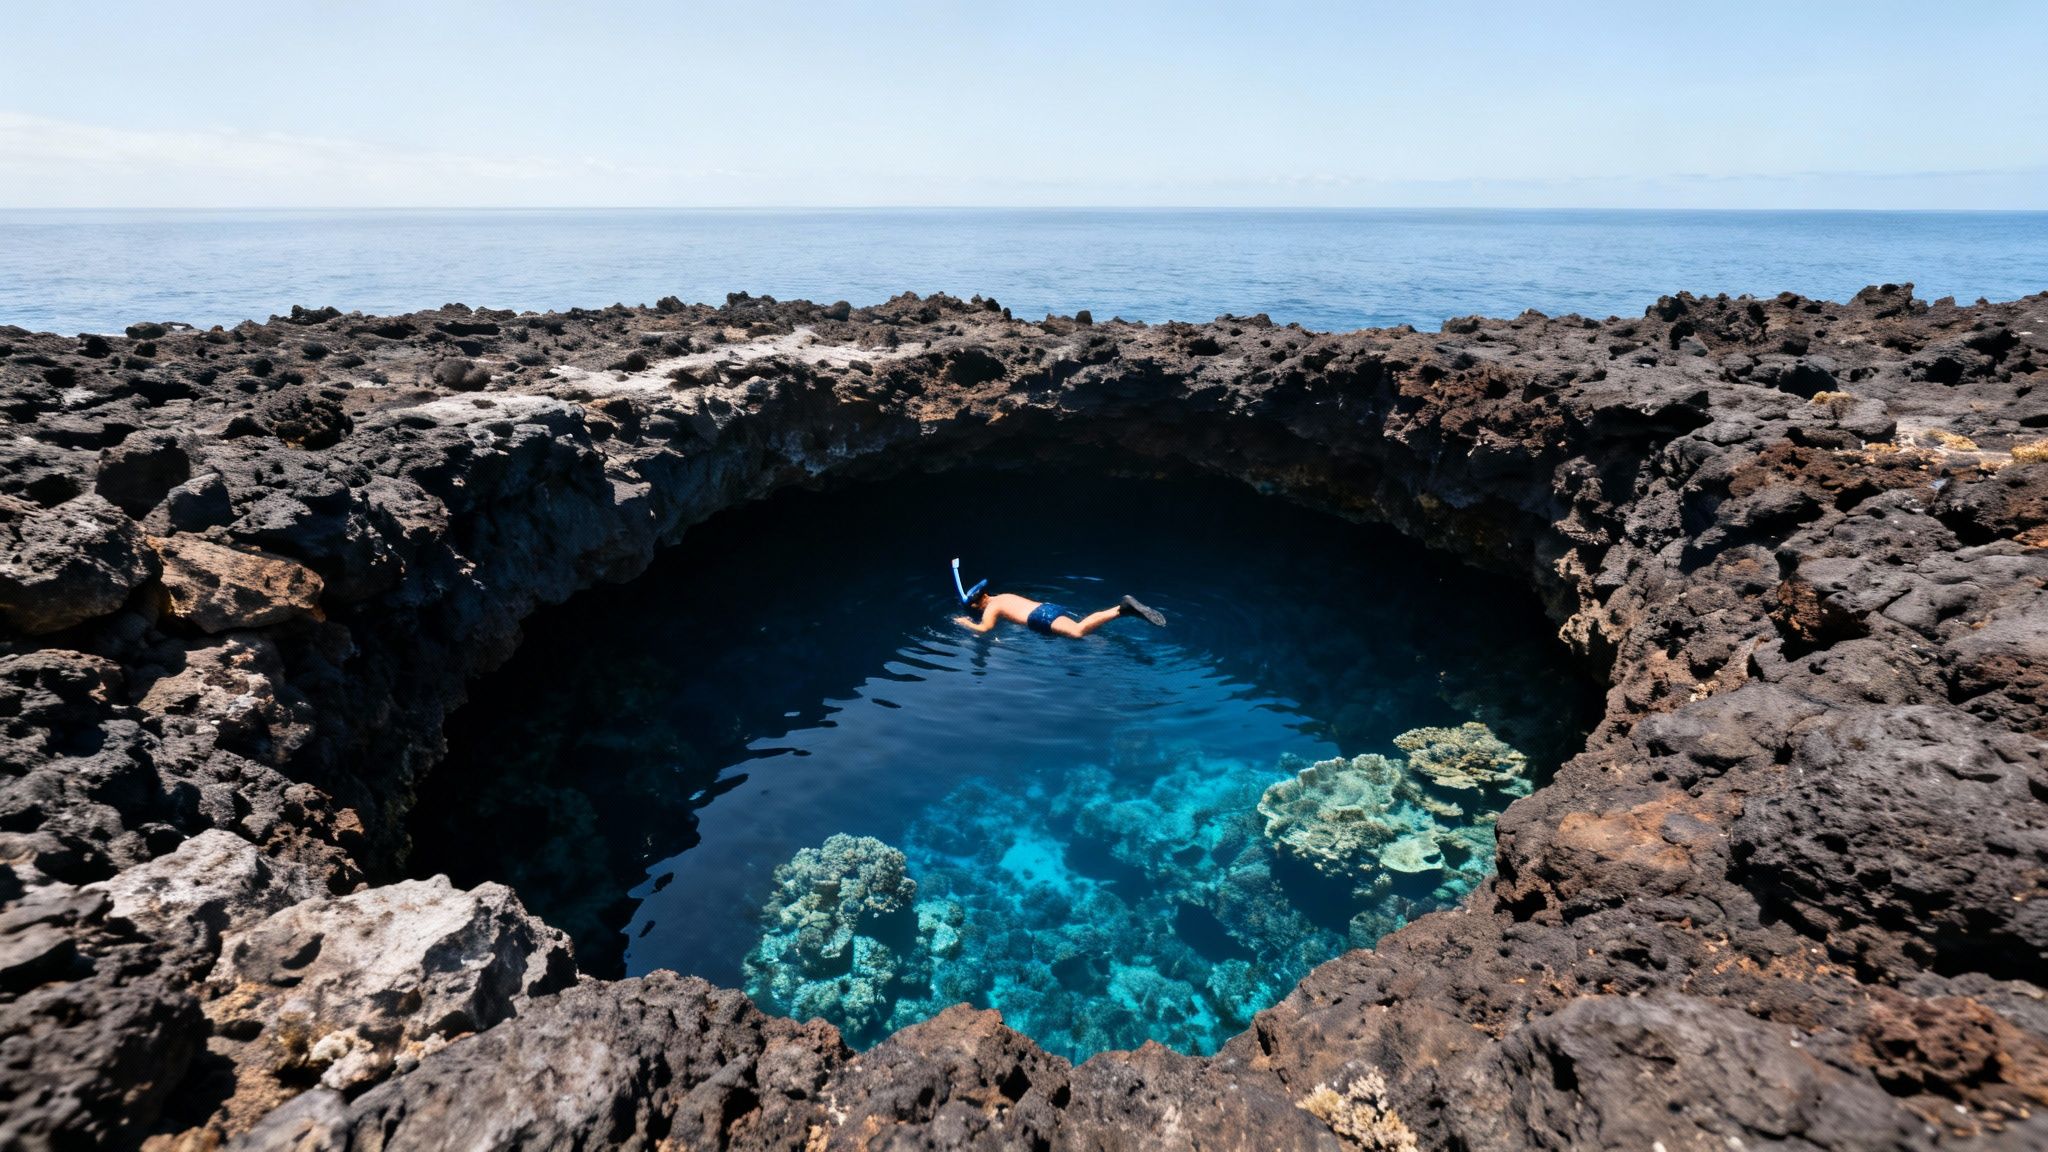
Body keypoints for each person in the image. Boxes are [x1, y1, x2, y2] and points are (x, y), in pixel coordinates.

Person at [955, 587, 1167, 638]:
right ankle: (1123, 611)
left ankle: (1122, 610)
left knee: (1078, 632)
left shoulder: (992, 607)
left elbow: (985, 629)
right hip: (1048, 608)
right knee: (1083, 631)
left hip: (1039, 618)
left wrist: (964, 623)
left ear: (978, 603)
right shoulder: (1004, 596)